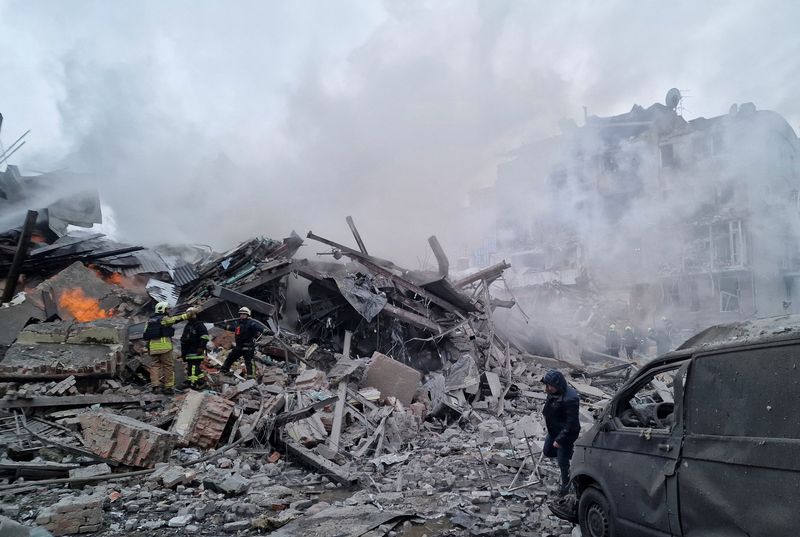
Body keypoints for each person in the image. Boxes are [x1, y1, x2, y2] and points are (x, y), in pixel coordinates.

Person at [541, 369, 581, 496]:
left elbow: (571, 423)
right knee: (547, 451)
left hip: (566, 434)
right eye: (546, 385)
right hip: (554, 430)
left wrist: (560, 440)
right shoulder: (554, 391)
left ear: (557, 384)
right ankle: (574, 456)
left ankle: (565, 487)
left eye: (549, 386)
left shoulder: (571, 398)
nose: (547, 389)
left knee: (562, 461)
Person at [142, 302, 197, 393]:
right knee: (168, 366)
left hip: (153, 348)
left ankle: (155, 386)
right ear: (162, 309)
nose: (168, 311)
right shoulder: (164, 319)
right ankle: (168, 387)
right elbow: (176, 319)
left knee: (155, 366)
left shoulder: (149, 320)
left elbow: (145, 334)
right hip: (165, 347)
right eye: (167, 309)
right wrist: (188, 314)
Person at [219, 307, 264, 378]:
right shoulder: (239, 324)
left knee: (249, 362)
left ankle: (251, 378)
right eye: (241, 314)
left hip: (247, 347)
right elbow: (234, 328)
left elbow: (258, 327)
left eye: (244, 314)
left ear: (247, 315)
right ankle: (223, 370)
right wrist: (225, 327)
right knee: (230, 357)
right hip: (239, 346)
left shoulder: (251, 323)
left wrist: (265, 331)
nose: (242, 315)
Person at [180, 315, 209, 387]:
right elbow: (184, 338)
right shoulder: (188, 326)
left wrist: (201, 347)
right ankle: (201, 380)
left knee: (193, 367)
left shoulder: (199, 325)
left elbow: (204, 337)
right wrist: (183, 353)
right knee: (191, 367)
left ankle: (193, 382)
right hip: (188, 350)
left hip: (196, 350)